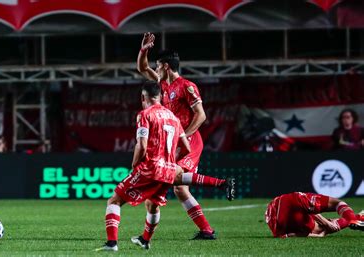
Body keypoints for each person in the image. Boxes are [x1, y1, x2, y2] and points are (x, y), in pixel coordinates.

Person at [97, 82, 234, 251]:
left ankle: (112, 243)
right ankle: (145, 240)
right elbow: (187, 147)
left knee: (114, 200)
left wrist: (135, 164)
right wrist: (171, 163)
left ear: (142, 97)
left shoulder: (144, 115)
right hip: (167, 170)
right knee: (153, 204)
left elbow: (142, 144)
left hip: (150, 168)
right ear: (161, 97)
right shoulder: (173, 117)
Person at [137, 32, 235, 239]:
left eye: (157, 65)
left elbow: (201, 115)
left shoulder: (187, 86)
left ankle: (221, 183)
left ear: (165, 66)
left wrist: (184, 136)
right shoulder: (162, 84)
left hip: (189, 141)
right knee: (180, 189)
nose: (155, 69)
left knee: (171, 180)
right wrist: (144, 50)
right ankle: (207, 231)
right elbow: (142, 68)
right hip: (173, 142)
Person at [265, 192, 364, 238]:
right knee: (338, 203)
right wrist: (326, 224)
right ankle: (356, 218)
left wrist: (325, 226)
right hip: (278, 213)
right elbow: (291, 235)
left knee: (325, 224)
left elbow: (289, 235)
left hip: (277, 217)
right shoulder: (304, 226)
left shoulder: (298, 225)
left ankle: (357, 218)